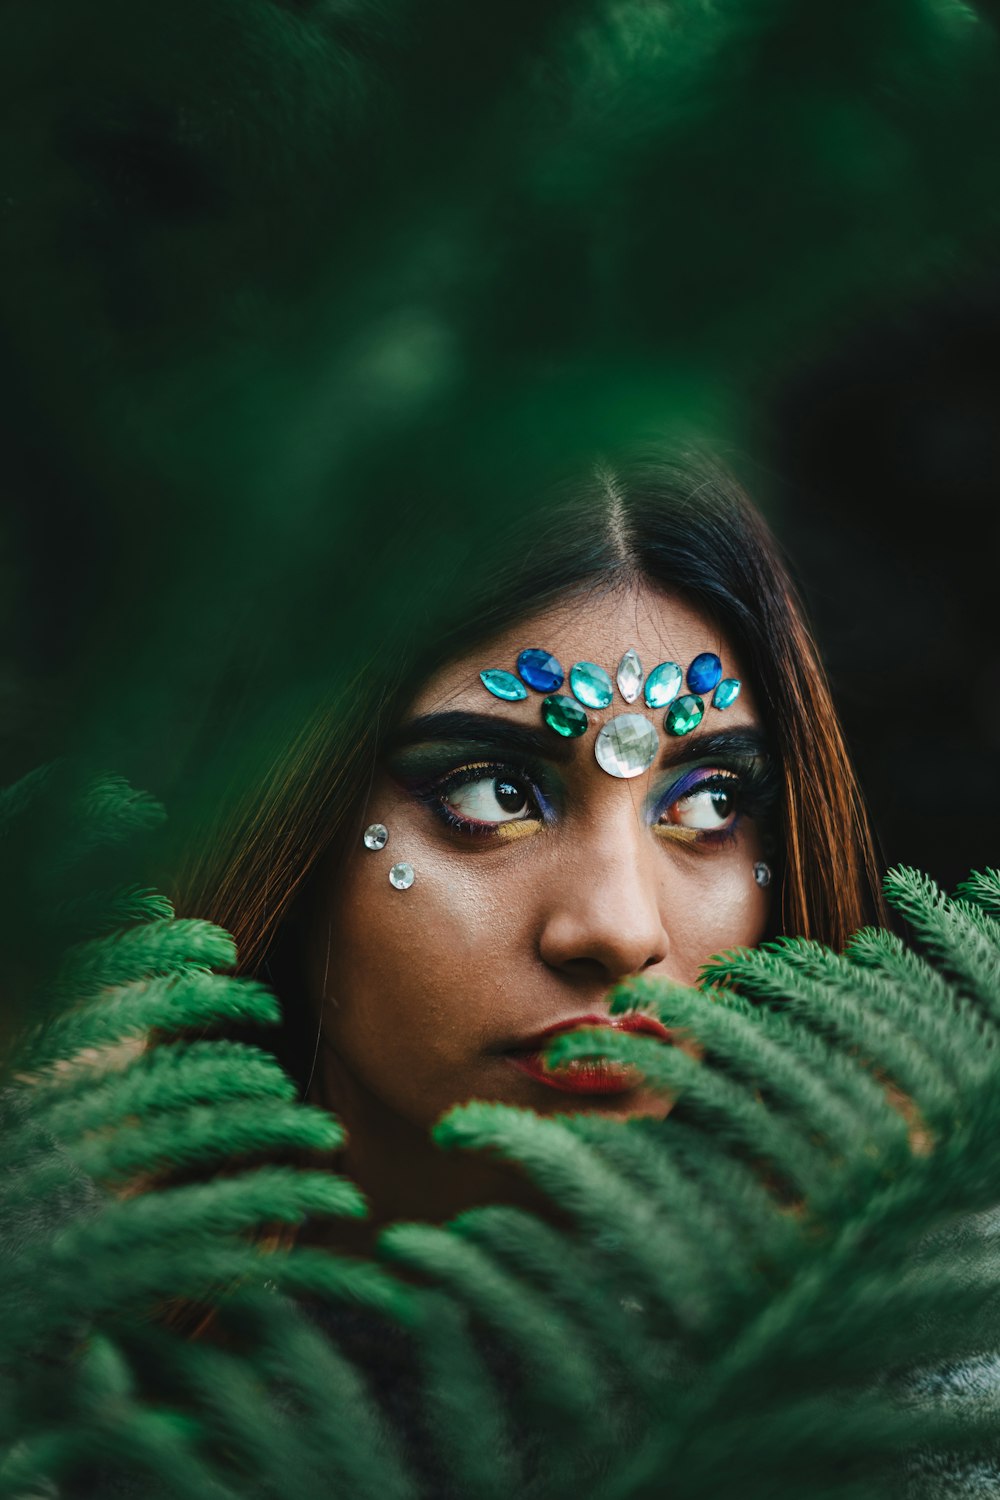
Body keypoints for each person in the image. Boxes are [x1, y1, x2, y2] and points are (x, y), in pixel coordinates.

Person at [177, 449, 884, 1246]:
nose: (622, 932)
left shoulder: (924, 1328)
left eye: (710, 801)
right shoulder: (49, 1292)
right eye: (494, 795)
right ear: (276, 815)